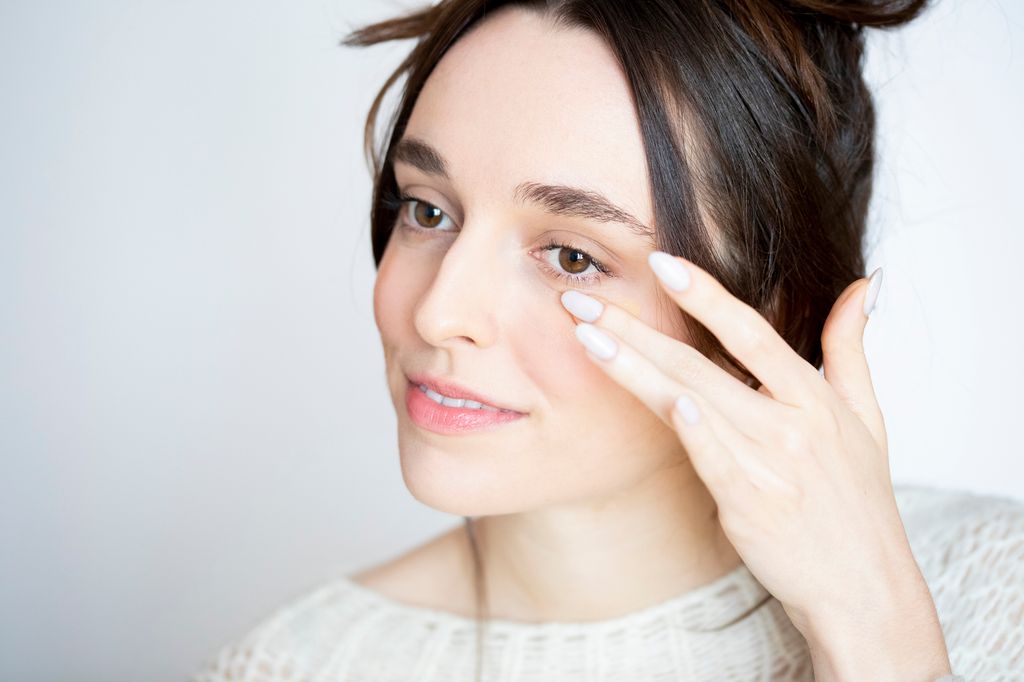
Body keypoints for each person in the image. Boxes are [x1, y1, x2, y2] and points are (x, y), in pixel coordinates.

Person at [192, 1, 1024, 680]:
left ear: (767, 312)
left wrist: (877, 637)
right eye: (428, 210)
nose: (439, 312)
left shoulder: (997, 593)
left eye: (572, 256)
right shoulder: (288, 666)